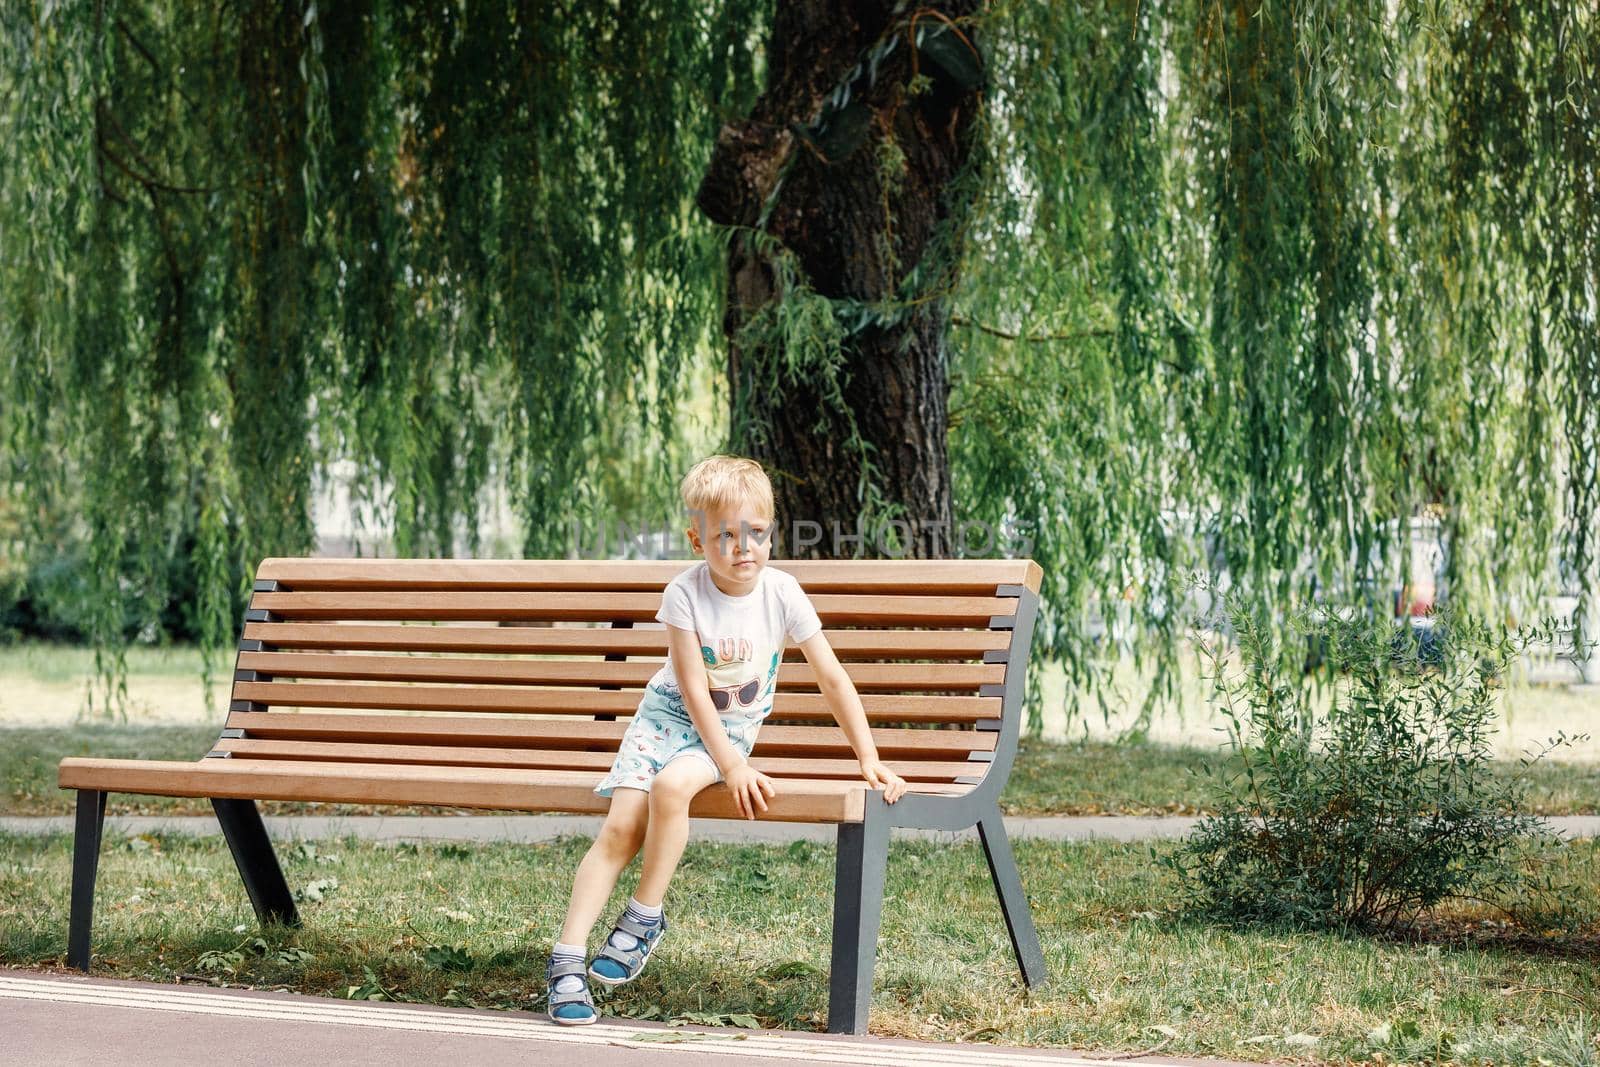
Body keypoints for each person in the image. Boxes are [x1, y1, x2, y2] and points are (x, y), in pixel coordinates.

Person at [544, 454, 910, 1025]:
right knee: (619, 826)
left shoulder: (783, 594)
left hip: (727, 730)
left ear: (771, 533)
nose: (744, 548)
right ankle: (565, 962)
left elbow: (831, 676)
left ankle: (643, 915)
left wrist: (869, 758)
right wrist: (734, 768)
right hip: (665, 719)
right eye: (726, 536)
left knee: (672, 787)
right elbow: (690, 689)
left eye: (756, 534)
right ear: (697, 539)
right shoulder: (683, 595)